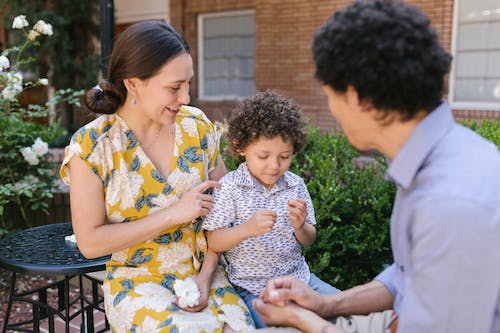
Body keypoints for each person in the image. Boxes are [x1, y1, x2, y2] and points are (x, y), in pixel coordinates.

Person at [252, 1, 500, 332]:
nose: (332, 109)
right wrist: (325, 303)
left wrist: (305, 321)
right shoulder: (444, 154)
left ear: (356, 97)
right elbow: (407, 273)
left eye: (329, 94)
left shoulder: (451, 205)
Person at [59, 21, 255, 332]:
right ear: (134, 83)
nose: (186, 97)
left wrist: (206, 276)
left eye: (188, 84)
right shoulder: (92, 146)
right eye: (174, 87)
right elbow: (91, 242)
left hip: (206, 275)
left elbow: (229, 204)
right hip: (138, 284)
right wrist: (174, 214)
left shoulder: (197, 127)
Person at [203, 90, 340, 328]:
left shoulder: (295, 184)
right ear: (241, 147)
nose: (274, 166)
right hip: (254, 290)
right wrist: (246, 229)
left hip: (300, 281)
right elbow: (213, 241)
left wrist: (301, 226)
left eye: (284, 156)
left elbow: (309, 239)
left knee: (348, 313)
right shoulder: (230, 187)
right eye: (263, 156)